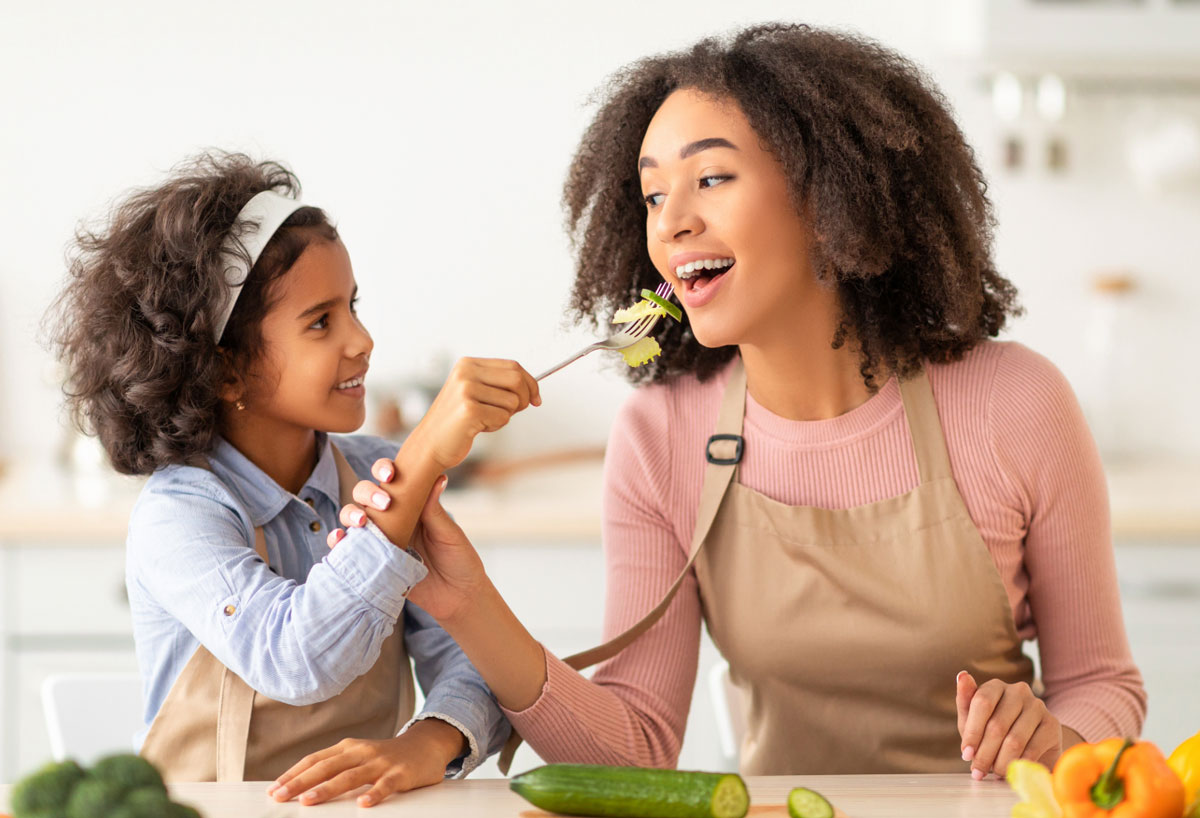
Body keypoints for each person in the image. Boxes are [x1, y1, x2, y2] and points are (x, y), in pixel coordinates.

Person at [307, 23, 1144, 791]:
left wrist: (1059, 742)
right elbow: (635, 748)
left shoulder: (1015, 402)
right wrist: (468, 606)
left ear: (828, 198)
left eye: (710, 177)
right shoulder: (661, 434)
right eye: (651, 195)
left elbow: (1103, 684)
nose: (671, 223)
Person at [49, 152, 540, 806]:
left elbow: (477, 658)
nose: (362, 340)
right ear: (225, 371)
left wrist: (429, 741)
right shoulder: (181, 513)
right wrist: (419, 464)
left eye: (353, 307)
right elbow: (294, 657)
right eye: (321, 321)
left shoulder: (371, 471)